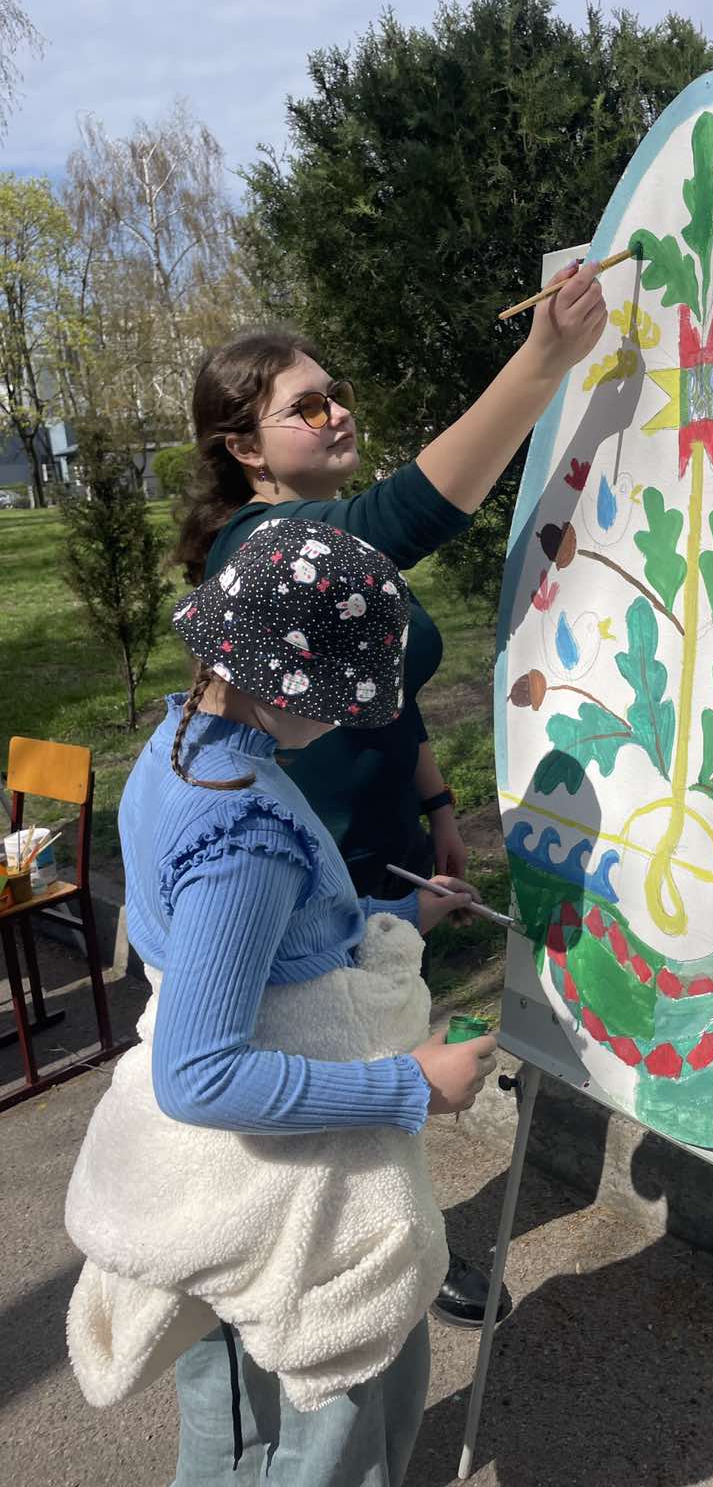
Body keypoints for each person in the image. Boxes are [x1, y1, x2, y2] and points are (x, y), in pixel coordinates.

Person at [172, 259, 606, 1325]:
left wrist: (439, 805)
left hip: (383, 855)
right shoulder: (273, 549)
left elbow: (381, 691)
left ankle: (385, 1250)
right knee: (347, 1091)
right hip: (310, 872)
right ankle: (341, 1297)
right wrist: (545, 358)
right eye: (306, 406)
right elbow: (416, 508)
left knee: (378, 1066)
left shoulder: (318, 539)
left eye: (337, 393)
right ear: (244, 448)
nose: (336, 413)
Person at [66, 519, 497, 1485]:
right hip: (276, 1191)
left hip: (235, 1176)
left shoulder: (181, 744)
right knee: (320, 1421)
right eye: (346, 704)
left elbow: (264, 943)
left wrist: (401, 914)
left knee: (245, 1409)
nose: (349, 723)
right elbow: (199, 1074)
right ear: (294, 688)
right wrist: (412, 1086)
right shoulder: (247, 832)